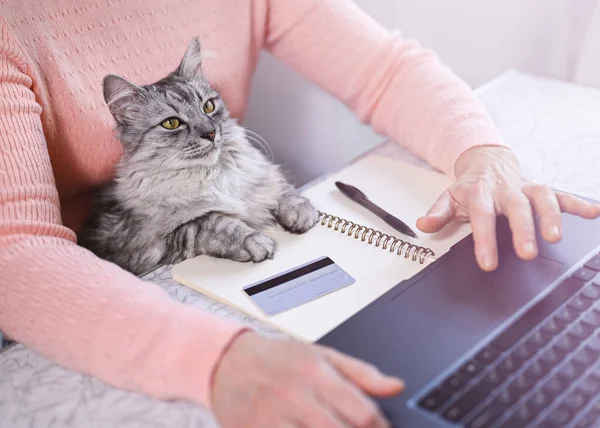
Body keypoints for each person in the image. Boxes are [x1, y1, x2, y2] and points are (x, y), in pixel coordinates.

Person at [0, 1, 598, 427]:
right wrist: (216, 361)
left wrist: (483, 157)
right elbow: (16, 249)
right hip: (86, 298)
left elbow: (385, 69)